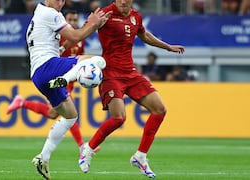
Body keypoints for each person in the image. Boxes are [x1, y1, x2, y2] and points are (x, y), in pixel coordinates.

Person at [68, 0, 183, 178]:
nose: (122, 1)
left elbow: (144, 36)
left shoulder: (136, 16)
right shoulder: (105, 13)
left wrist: (168, 47)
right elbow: (80, 34)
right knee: (119, 118)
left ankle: (140, 156)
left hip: (131, 73)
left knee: (160, 110)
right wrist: (92, 24)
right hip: (111, 73)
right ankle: (88, 150)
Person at [24, 1, 111, 179]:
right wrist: (92, 23)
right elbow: (75, 36)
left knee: (71, 115)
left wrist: (93, 25)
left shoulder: (40, 13)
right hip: (47, 67)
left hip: (38, 75)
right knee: (99, 61)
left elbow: (71, 40)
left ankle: (43, 158)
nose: (61, 2)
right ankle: (66, 79)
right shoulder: (50, 13)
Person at [6, 10, 99, 155]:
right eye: (70, 20)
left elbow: (75, 45)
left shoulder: (79, 39)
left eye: (75, 20)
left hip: (71, 78)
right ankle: (81, 146)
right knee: (70, 113)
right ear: (65, 20)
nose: (73, 22)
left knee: (52, 113)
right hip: (59, 75)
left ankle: (22, 103)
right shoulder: (59, 33)